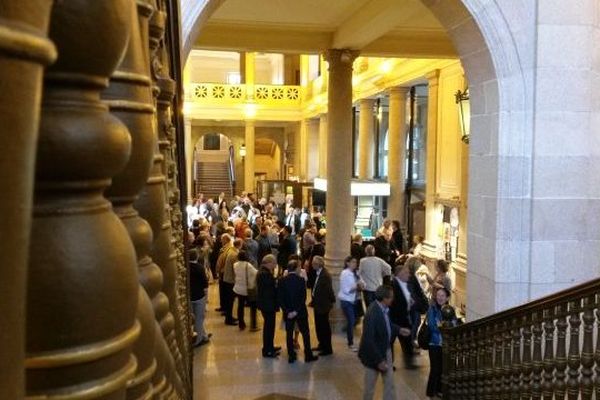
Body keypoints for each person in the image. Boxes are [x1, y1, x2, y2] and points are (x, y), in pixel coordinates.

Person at [358, 285, 399, 400]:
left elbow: (387, 325)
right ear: (384, 298)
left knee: (389, 384)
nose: (393, 299)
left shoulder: (384, 309)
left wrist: (399, 329)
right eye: (391, 297)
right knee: (369, 388)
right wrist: (379, 360)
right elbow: (368, 340)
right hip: (373, 356)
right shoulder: (372, 313)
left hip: (386, 350)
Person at [278, 260, 318, 364]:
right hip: (300, 312)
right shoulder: (301, 280)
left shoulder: (282, 281)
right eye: (299, 267)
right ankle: (308, 355)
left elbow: (280, 299)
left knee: (289, 333)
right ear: (296, 268)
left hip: (288, 313)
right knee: (305, 333)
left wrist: (288, 312)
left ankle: (291, 355)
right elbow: (303, 298)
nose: (300, 269)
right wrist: (296, 311)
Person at [426, 287, 457, 399]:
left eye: (442, 295)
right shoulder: (432, 309)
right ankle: (430, 392)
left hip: (446, 345)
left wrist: (441, 324)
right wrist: (443, 326)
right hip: (434, 344)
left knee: (443, 369)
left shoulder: (450, 309)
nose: (440, 297)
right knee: (435, 368)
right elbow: (432, 326)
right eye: (438, 295)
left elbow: (454, 323)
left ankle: (439, 390)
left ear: (447, 297)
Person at [389, 263, 416, 369]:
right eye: (406, 273)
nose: (409, 275)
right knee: (391, 341)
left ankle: (409, 362)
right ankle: (390, 363)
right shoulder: (393, 285)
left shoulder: (405, 283)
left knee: (407, 340)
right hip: (395, 319)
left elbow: (405, 297)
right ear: (400, 274)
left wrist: (409, 301)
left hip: (405, 317)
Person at [256, 254, 281, 358]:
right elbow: (271, 287)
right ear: (269, 263)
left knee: (270, 327)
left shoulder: (264, 272)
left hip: (267, 304)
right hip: (268, 304)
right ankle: (267, 350)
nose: (275, 266)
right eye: (274, 263)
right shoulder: (264, 274)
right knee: (269, 328)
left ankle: (270, 346)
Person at [310, 256, 336, 356]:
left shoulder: (325, 275)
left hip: (323, 305)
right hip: (318, 304)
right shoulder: (318, 273)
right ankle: (321, 344)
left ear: (319, 264)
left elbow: (329, 290)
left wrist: (332, 300)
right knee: (319, 326)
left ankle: (327, 348)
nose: (312, 265)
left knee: (324, 327)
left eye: (314, 263)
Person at [338, 256, 364, 351]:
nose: (355, 264)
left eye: (356, 262)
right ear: (347, 263)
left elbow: (363, 283)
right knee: (351, 320)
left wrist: (360, 285)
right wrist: (357, 286)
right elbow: (346, 289)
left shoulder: (356, 273)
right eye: (353, 262)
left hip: (355, 300)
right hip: (347, 301)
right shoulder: (345, 273)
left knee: (355, 320)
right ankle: (350, 343)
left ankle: (350, 335)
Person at [189, 249, 211, 347]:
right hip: (199, 296)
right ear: (196, 257)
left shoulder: (186, 267)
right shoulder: (199, 268)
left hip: (189, 296)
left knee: (193, 317)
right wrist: (206, 298)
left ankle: (203, 335)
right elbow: (205, 284)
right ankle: (198, 340)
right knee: (199, 318)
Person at [233, 251, 258, 331]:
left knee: (240, 306)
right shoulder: (248, 265)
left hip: (238, 288)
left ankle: (241, 323)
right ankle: (253, 325)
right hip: (247, 289)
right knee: (253, 307)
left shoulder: (235, 265)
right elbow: (256, 273)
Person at [221, 238, 243, 326]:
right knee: (230, 300)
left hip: (228, 278)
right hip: (231, 280)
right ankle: (228, 319)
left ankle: (229, 317)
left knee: (229, 300)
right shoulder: (234, 254)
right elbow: (236, 269)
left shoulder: (231, 251)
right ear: (240, 245)